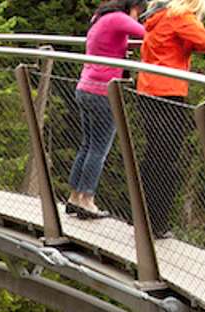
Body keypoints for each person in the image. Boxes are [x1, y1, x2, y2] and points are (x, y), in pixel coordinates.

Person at [136, 0, 205, 238]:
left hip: (148, 90)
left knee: (154, 156)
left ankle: (143, 217)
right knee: (166, 158)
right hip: (168, 94)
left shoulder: (158, 16)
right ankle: (157, 223)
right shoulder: (179, 17)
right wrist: (200, 27)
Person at [67, 0, 147, 219]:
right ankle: (87, 200)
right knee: (99, 149)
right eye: (139, 10)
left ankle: (74, 197)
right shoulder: (119, 19)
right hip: (102, 92)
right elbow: (148, 34)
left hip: (85, 87)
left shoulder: (101, 18)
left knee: (87, 145)